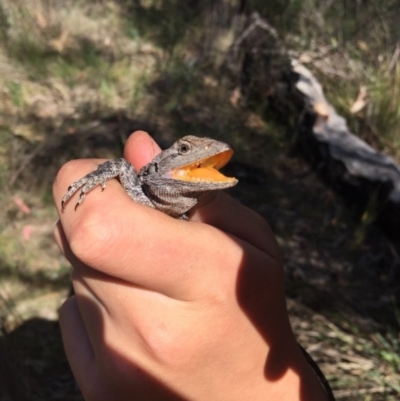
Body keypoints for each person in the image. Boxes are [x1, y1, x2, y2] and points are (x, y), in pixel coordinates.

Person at [53, 131, 331, 400]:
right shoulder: (137, 188)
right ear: (157, 165)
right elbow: (120, 164)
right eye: (185, 149)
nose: (197, 155)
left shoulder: (190, 223)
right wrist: (94, 178)